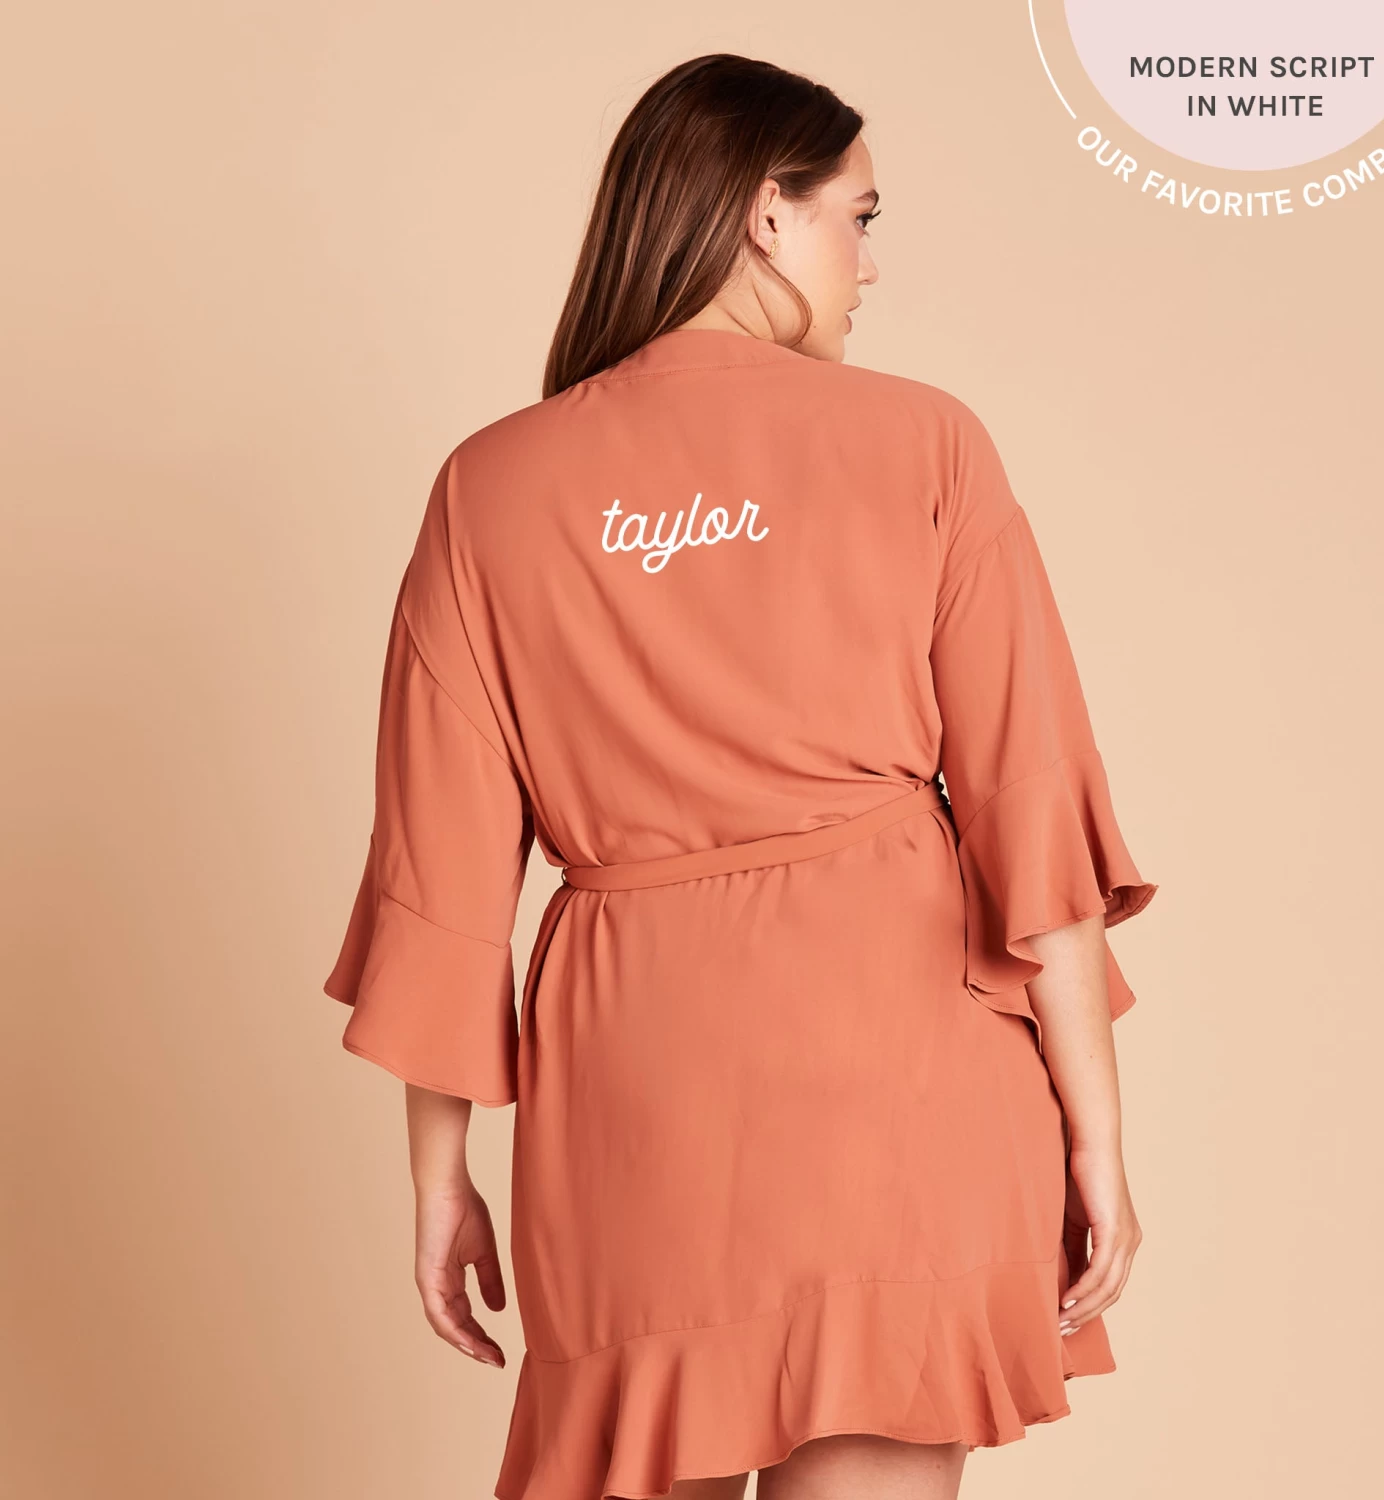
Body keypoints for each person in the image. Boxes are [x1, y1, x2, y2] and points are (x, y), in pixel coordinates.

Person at [323, 52, 1157, 1500]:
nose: (868, 266)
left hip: (635, 1096)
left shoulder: (489, 487)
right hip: (907, 1079)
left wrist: (438, 1176)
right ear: (769, 215)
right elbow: (1032, 811)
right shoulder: (925, 441)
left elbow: (441, 872)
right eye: (858, 218)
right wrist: (1098, 1139)